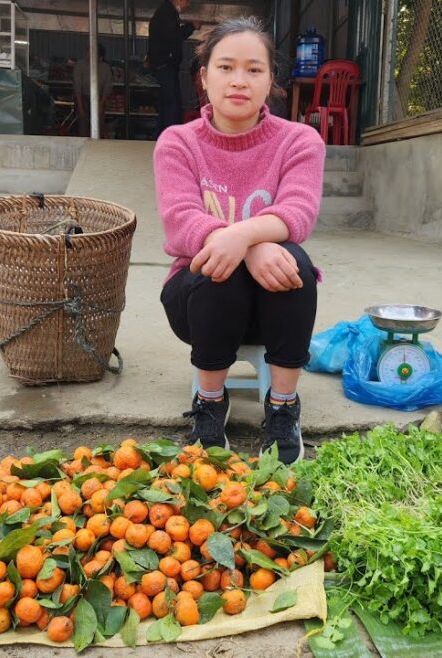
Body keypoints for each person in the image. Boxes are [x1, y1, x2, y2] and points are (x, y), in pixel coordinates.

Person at [153, 17, 326, 464]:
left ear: (271, 81)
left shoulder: (299, 141)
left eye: (254, 69)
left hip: (273, 311)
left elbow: (298, 214)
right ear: (204, 77)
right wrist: (243, 246)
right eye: (226, 67)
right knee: (219, 267)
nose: (239, 81)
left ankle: (283, 408)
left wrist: (246, 238)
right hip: (198, 305)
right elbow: (180, 223)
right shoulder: (178, 142)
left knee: (293, 263)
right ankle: (209, 406)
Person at [148, 0, 197, 137]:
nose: (188, 4)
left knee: (166, 104)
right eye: (187, 1)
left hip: (163, 64)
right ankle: (171, 137)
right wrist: (191, 26)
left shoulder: (165, 12)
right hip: (165, 64)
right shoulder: (167, 13)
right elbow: (173, 37)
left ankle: (160, 136)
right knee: (172, 104)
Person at [73, 45, 114, 137]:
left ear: (100, 57)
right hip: (83, 98)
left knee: (99, 126)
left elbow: (107, 87)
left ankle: (97, 146)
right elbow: (77, 88)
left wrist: (101, 103)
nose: (89, 55)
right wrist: (80, 108)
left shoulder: (105, 68)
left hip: (99, 98)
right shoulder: (80, 66)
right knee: (83, 125)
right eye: (88, 52)